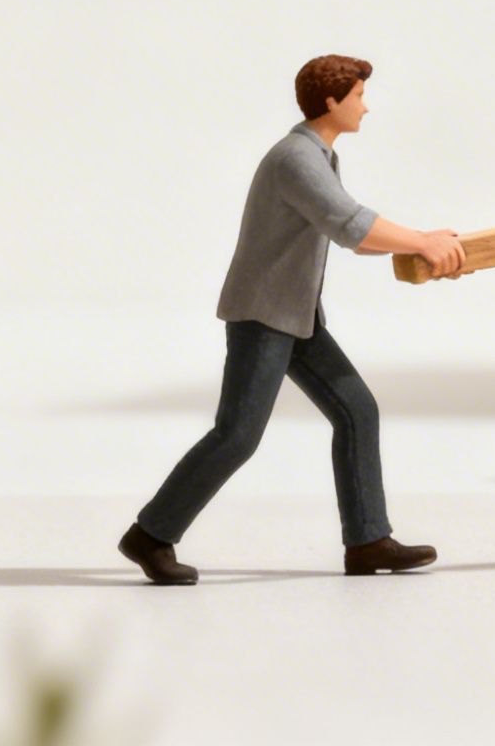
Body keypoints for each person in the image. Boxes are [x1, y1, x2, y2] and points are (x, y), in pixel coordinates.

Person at [118, 55, 466, 585]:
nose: (366, 107)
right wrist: (422, 241)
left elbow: (348, 233)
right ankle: (150, 536)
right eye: (358, 97)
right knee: (237, 436)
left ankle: (368, 540)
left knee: (357, 411)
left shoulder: (318, 157)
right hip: (265, 315)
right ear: (331, 102)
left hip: (297, 315)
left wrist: (424, 248)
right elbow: (350, 224)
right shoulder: (296, 159)